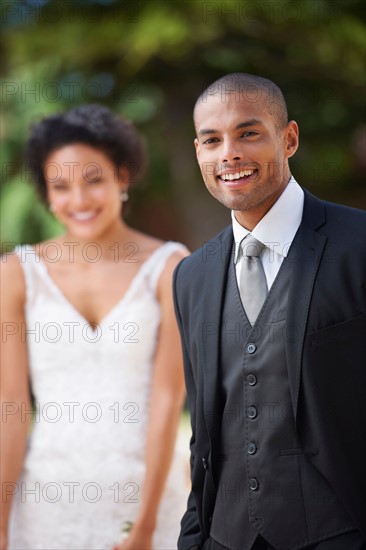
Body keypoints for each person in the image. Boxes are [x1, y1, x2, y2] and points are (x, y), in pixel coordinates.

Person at [173, 73, 366, 550]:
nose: (229, 154)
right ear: (198, 150)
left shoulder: (358, 245)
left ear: (290, 138)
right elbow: (203, 432)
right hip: (226, 535)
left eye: (248, 133)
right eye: (212, 140)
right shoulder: (191, 275)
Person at [0, 104, 189, 550]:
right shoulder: (16, 273)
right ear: (46, 193)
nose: (79, 201)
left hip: (149, 501)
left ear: (122, 176)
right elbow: (10, 406)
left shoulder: (170, 267)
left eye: (94, 180)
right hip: (46, 503)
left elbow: (168, 399)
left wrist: (143, 528)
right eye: (60, 187)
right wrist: (2, 526)